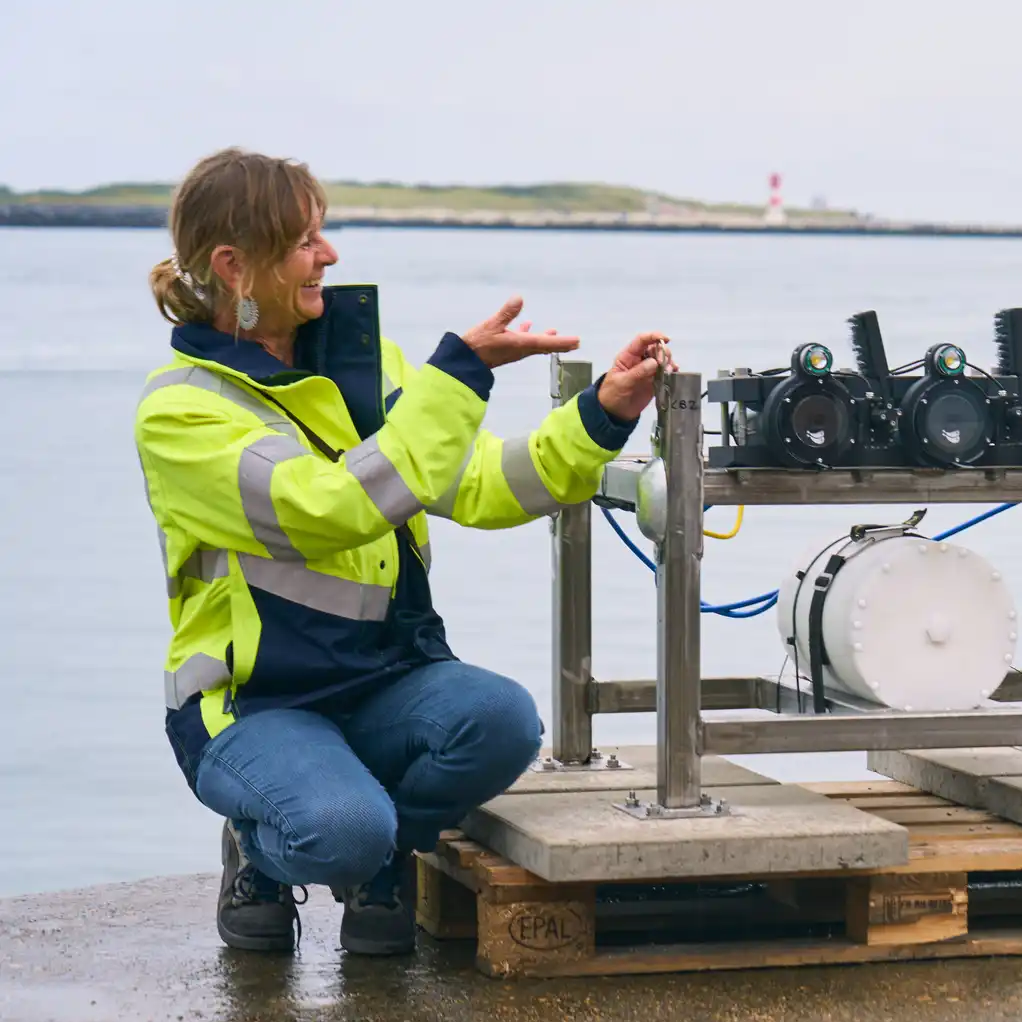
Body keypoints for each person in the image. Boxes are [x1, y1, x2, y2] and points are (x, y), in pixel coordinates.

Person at [135, 148, 673, 955]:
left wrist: (601, 415)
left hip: (386, 681)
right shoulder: (181, 413)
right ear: (233, 267)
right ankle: (263, 850)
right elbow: (329, 509)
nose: (329, 255)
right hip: (254, 705)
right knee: (339, 830)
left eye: (323, 233)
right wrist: (458, 376)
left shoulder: (368, 370)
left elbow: (483, 485)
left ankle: (385, 855)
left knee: (502, 721)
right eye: (304, 241)